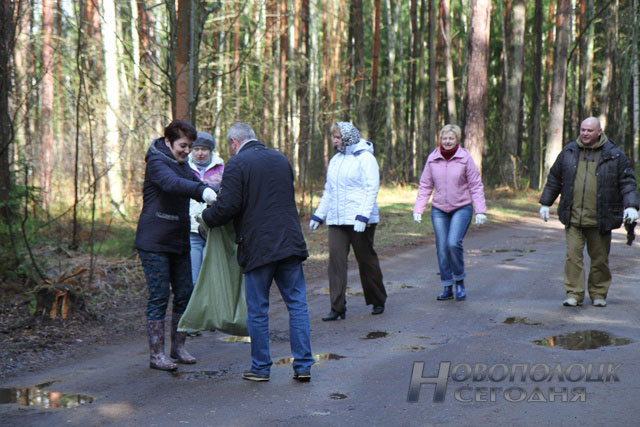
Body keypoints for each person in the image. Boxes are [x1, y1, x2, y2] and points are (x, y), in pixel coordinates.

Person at [201, 122, 313, 382]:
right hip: (290, 243)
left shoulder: (238, 165)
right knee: (297, 305)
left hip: (258, 247)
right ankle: (304, 365)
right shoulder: (280, 158)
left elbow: (228, 206)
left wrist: (206, 218)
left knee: (258, 310)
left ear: (233, 142)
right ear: (253, 137)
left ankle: (261, 368)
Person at [134, 120, 218, 371]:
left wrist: (214, 192)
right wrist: (202, 191)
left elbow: (193, 183)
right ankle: (156, 354)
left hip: (178, 240)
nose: (187, 151)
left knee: (185, 292)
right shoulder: (158, 162)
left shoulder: (182, 165)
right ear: (168, 141)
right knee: (159, 296)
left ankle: (178, 347)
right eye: (183, 145)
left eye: (190, 147)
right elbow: (173, 185)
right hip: (154, 241)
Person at [539, 117, 639, 307]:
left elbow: (627, 183)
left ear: (599, 131)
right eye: (582, 130)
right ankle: (574, 294)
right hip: (573, 216)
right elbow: (555, 178)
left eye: (589, 130)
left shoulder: (614, 155)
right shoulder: (569, 152)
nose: (584, 133)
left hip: (600, 218)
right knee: (573, 257)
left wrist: (632, 206)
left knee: (600, 259)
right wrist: (546, 203)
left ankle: (598, 293)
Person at [309, 122, 387, 321]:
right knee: (336, 262)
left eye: (337, 137)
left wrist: (363, 216)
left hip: (360, 220)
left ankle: (377, 299)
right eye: (333, 138)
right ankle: (337, 307)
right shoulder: (336, 160)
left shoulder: (366, 158)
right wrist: (319, 214)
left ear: (348, 137)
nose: (334, 141)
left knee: (365, 259)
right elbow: (329, 191)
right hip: (336, 220)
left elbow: (371, 189)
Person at [413, 124, 487, 301]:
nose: (447, 141)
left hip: (462, 207)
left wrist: (480, 210)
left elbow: (475, 185)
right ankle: (447, 286)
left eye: (451, 138)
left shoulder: (464, 158)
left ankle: (459, 281)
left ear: (457, 140)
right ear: (440, 139)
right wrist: (418, 208)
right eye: (444, 138)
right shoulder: (433, 158)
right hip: (439, 209)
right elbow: (425, 185)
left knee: (453, 243)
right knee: (442, 248)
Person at [188, 131, 224, 285]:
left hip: (213, 230)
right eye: (196, 149)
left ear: (211, 151)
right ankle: (195, 307)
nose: (200, 153)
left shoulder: (222, 169)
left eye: (204, 149)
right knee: (193, 277)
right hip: (191, 229)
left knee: (211, 275)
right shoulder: (184, 167)